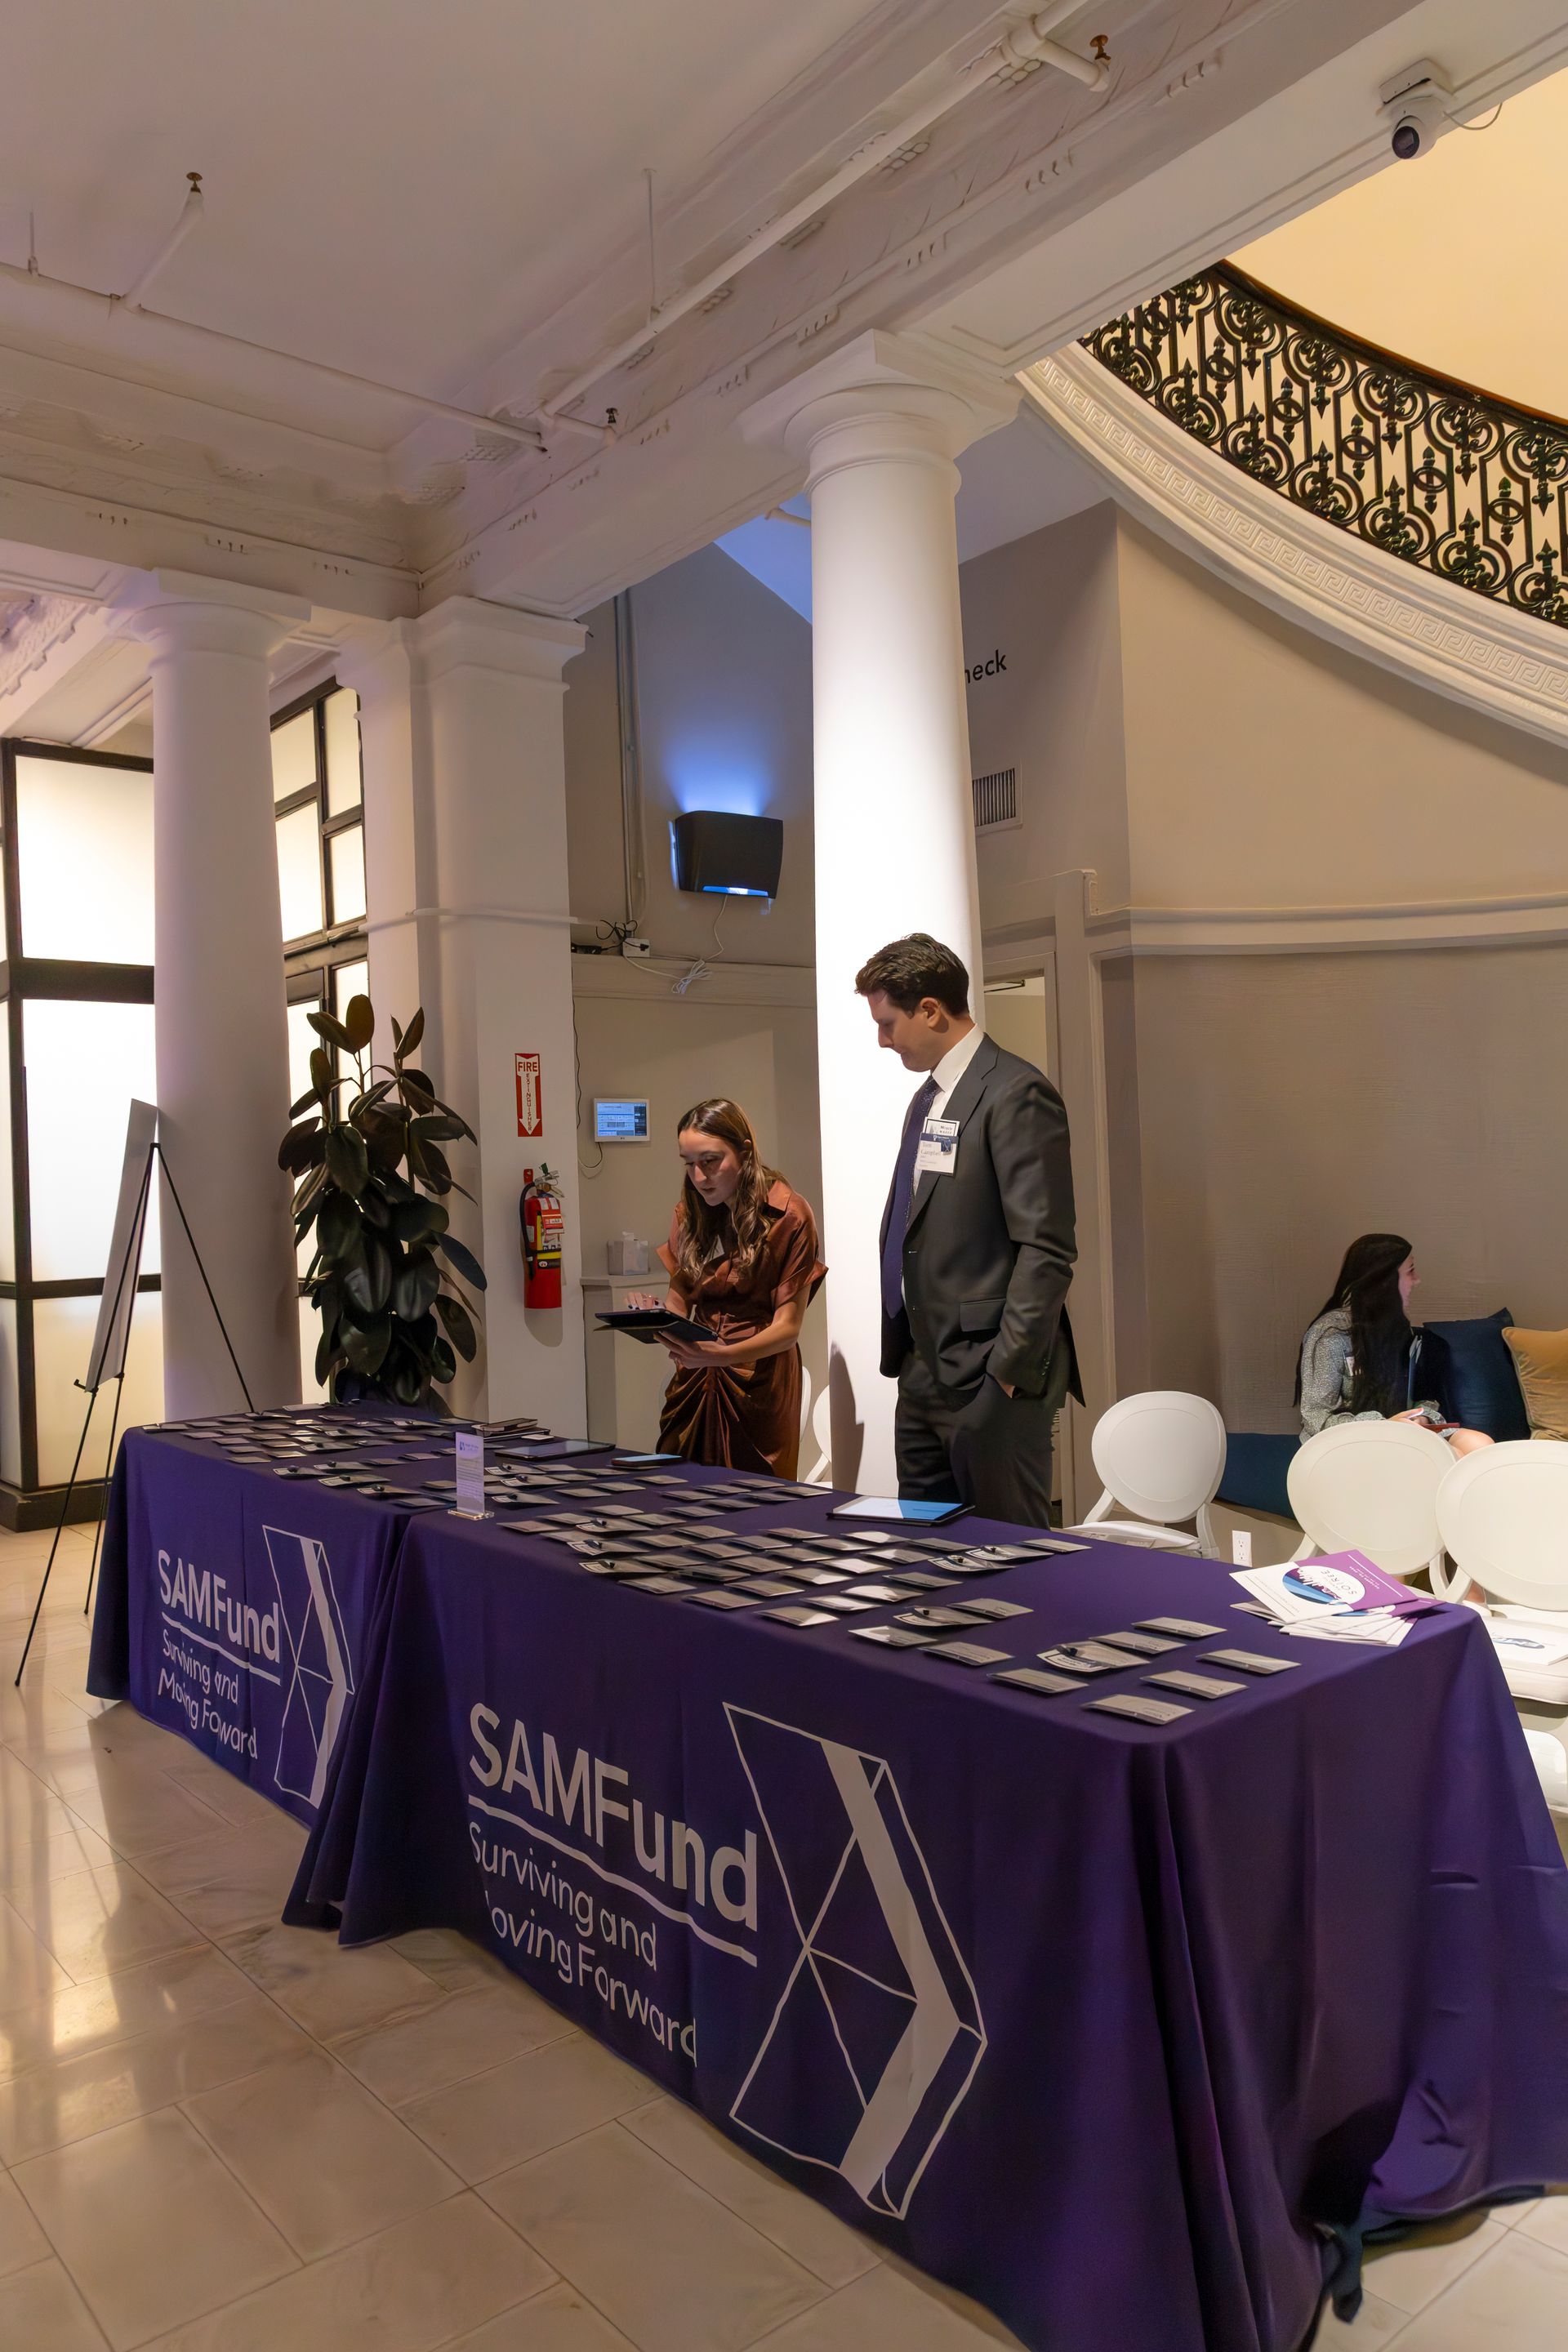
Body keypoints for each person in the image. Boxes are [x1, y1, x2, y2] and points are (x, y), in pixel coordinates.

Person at [857, 933, 1079, 1526]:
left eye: (888, 1023)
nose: (882, 1041)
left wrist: (1006, 1373)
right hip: (922, 1366)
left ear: (930, 1010)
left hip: (988, 1375)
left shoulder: (1016, 1092)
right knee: (926, 1559)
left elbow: (1047, 1248)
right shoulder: (927, 1100)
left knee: (1011, 1560)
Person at [634, 1097, 825, 1477]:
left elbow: (788, 1329)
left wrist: (721, 1355)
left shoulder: (788, 1215)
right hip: (694, 1380)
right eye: (689, 1165)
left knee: (755, 1503)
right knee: (680, 1491)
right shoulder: (690, 1213)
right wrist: (653, 1317)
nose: (700, 1177)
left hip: (758, 1383)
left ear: (745, 1153)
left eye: (710, 1161)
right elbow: (678, 1301)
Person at [1296, 1233, 1492, 1457]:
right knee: (1449, 1454)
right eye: (1410, 1272)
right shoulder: (1331, 1334)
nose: (1416, 1280)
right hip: (1351, 1441)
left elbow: (1421, 1396)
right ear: (1384, 1280)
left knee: (1480, 1444)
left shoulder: (1401, 1331)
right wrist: (1383, 1424)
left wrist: (1421, 1416)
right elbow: (1315, 1415)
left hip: (1401, 1430)